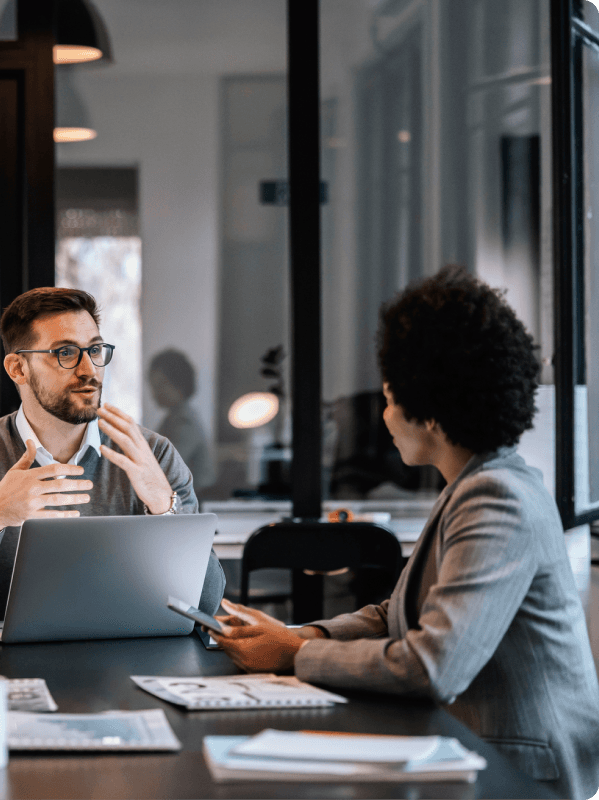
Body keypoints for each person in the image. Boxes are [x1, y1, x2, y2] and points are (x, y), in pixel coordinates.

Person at [214, 267, 599, 799]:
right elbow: (393, 614)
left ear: (433, 413)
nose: (387, 416)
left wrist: (291, 654)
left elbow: (431, 665)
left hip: (523, 776)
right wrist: (302, 635)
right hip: (472, 752)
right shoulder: (472, 485)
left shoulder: (498, 498)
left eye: (393, 398)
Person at [0, 287, 225, 620]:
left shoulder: (153, 455)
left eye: (94, 350)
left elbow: (205, 605)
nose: (89, 370)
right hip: (11, 665)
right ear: (18, 368)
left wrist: (164, 506)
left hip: (131, 660)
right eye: (65, 352)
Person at [148, 348, 215, 490]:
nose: (155, 393)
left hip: (195, 502)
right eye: (153, 386)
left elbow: (166, 467)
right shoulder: (172, 418)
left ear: (180, 385)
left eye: (161, 385)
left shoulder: (185, 422)